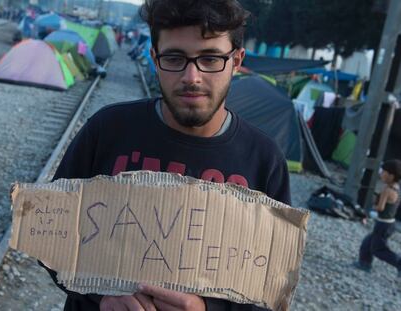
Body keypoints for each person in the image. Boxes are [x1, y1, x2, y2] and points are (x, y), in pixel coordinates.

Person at [40, 0, 291, 310]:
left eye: (211, 58)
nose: (192, 77)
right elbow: (48, 234)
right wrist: (100, 297)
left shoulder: (264, 160)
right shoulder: (106, 130)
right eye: (175, 57)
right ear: (154, 58)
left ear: (237, 61)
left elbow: (270, 286)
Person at [355, 159, 401, 276]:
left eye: (383, 172)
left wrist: (370, 209)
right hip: (389, 223)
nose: (381, 174)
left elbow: (380, 208)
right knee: (368, 242)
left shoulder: (386, 190)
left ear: (391, 175)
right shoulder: (397, 188)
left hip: (383, 225)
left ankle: (399, 262)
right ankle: (364, 263)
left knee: (378, 250)